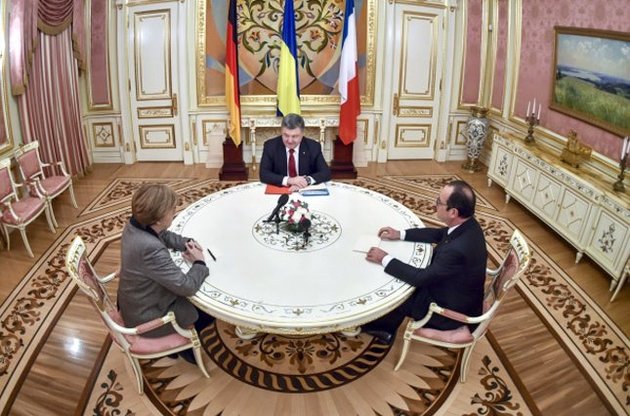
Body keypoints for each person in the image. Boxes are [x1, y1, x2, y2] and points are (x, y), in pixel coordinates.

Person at [364, 180, 487, 344]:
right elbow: (439, 234)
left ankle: (383, 330)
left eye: (439, 202)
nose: (435, 205)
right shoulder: (469, 225)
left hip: (450, 311)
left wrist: (384, 258)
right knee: (403, 273)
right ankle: (387, 326)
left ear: (453, 212)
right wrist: (400, 234)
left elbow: (420, 278)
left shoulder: (456, 250)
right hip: (461, 293)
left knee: (396, 292)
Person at [117, 184, 214, 361]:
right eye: (172, 209)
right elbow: (186, 287)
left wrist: (186, 243)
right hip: (147, 316)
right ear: (158, 219)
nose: (174, 212)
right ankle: (184, 348)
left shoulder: (136, 225)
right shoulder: (151, 249)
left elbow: (163, 235)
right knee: (208, 311)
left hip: (134, 301)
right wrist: (199, 262)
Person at [260, 113, 331, 192]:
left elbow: (326, 173)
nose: (290, 141)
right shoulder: (270, 146)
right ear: (281, 131)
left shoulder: (313, 147)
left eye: (294, 136)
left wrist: (306, 181)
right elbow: (264, 174)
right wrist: (289, 180)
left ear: (302, 134)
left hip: (304, 190)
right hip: (280, 191)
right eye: (286, 135)